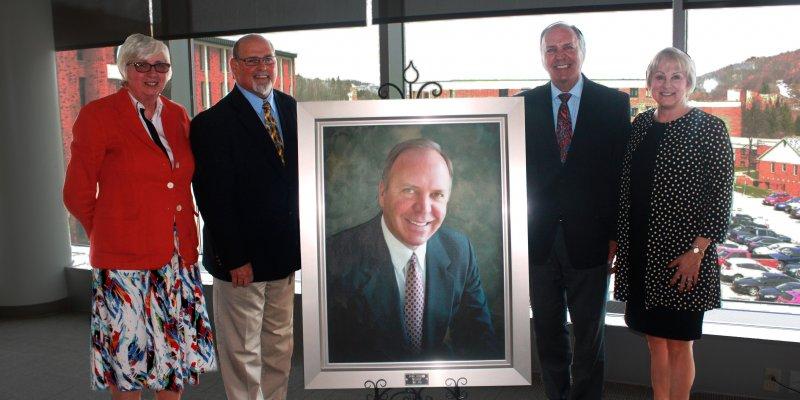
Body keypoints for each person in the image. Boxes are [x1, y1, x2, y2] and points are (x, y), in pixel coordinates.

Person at [63, 33, 215, 400]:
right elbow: (76, 194)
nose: (152, 73)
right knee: (128, 363)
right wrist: (112, 231)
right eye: (141, 65)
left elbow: (179, 182)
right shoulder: (98, 116)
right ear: (124, 68)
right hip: (124, 263)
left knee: (171, 359)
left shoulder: (178, 115)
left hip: (177, 258)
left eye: (161, 65)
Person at [517, 22, 631, 399]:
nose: (560, 56)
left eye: (567, 47)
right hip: (537, 242)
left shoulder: (613, 104)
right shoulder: (522, 105)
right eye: (551, 50)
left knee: (590, 337)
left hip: (592, 241)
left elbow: (620, 176)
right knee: (547, 334)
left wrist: (616, 236)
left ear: (582, 51)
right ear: (542, 57)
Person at [613, 47, 733, 400]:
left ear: (689, 82)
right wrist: (621, 244)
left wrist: (697, 253)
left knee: (680, 344)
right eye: (660, 76)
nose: (667, 84)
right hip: (642, 255)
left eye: (676, 76)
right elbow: (626, 191)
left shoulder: (710, 128)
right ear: (650, 82)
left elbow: (720, 197)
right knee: (655, 342)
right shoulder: (640, 127)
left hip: (684, 257)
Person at [190, 34, 299, 400]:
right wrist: (236, 259)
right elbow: (213, 200)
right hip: (242, 264)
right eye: (251, 61)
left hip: (284, 259)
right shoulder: (212, 124)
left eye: (267, 59)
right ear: (234, 66)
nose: (261, 68)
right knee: (242, 352)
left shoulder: (293, 109)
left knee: (278, 348)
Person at [326, 138, 499, 363]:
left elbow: (479, 344)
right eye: (409, 190)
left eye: (437, 194)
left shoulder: (459, 251)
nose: (423, 209)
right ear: (382, 193)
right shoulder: (336, 257)